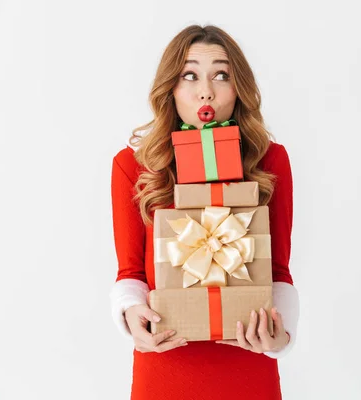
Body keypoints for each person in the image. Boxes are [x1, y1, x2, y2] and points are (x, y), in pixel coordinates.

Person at [108, 25, 300, 399]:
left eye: (221, 75)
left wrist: (281, 336)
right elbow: (130, 274)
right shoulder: (133, 167)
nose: (205, 90)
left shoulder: (270, 161)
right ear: (171, 87)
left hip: (247, 368)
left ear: (238, 87)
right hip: (165, 367)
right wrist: (131, 315)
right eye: (190, 74)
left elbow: (278, 272)